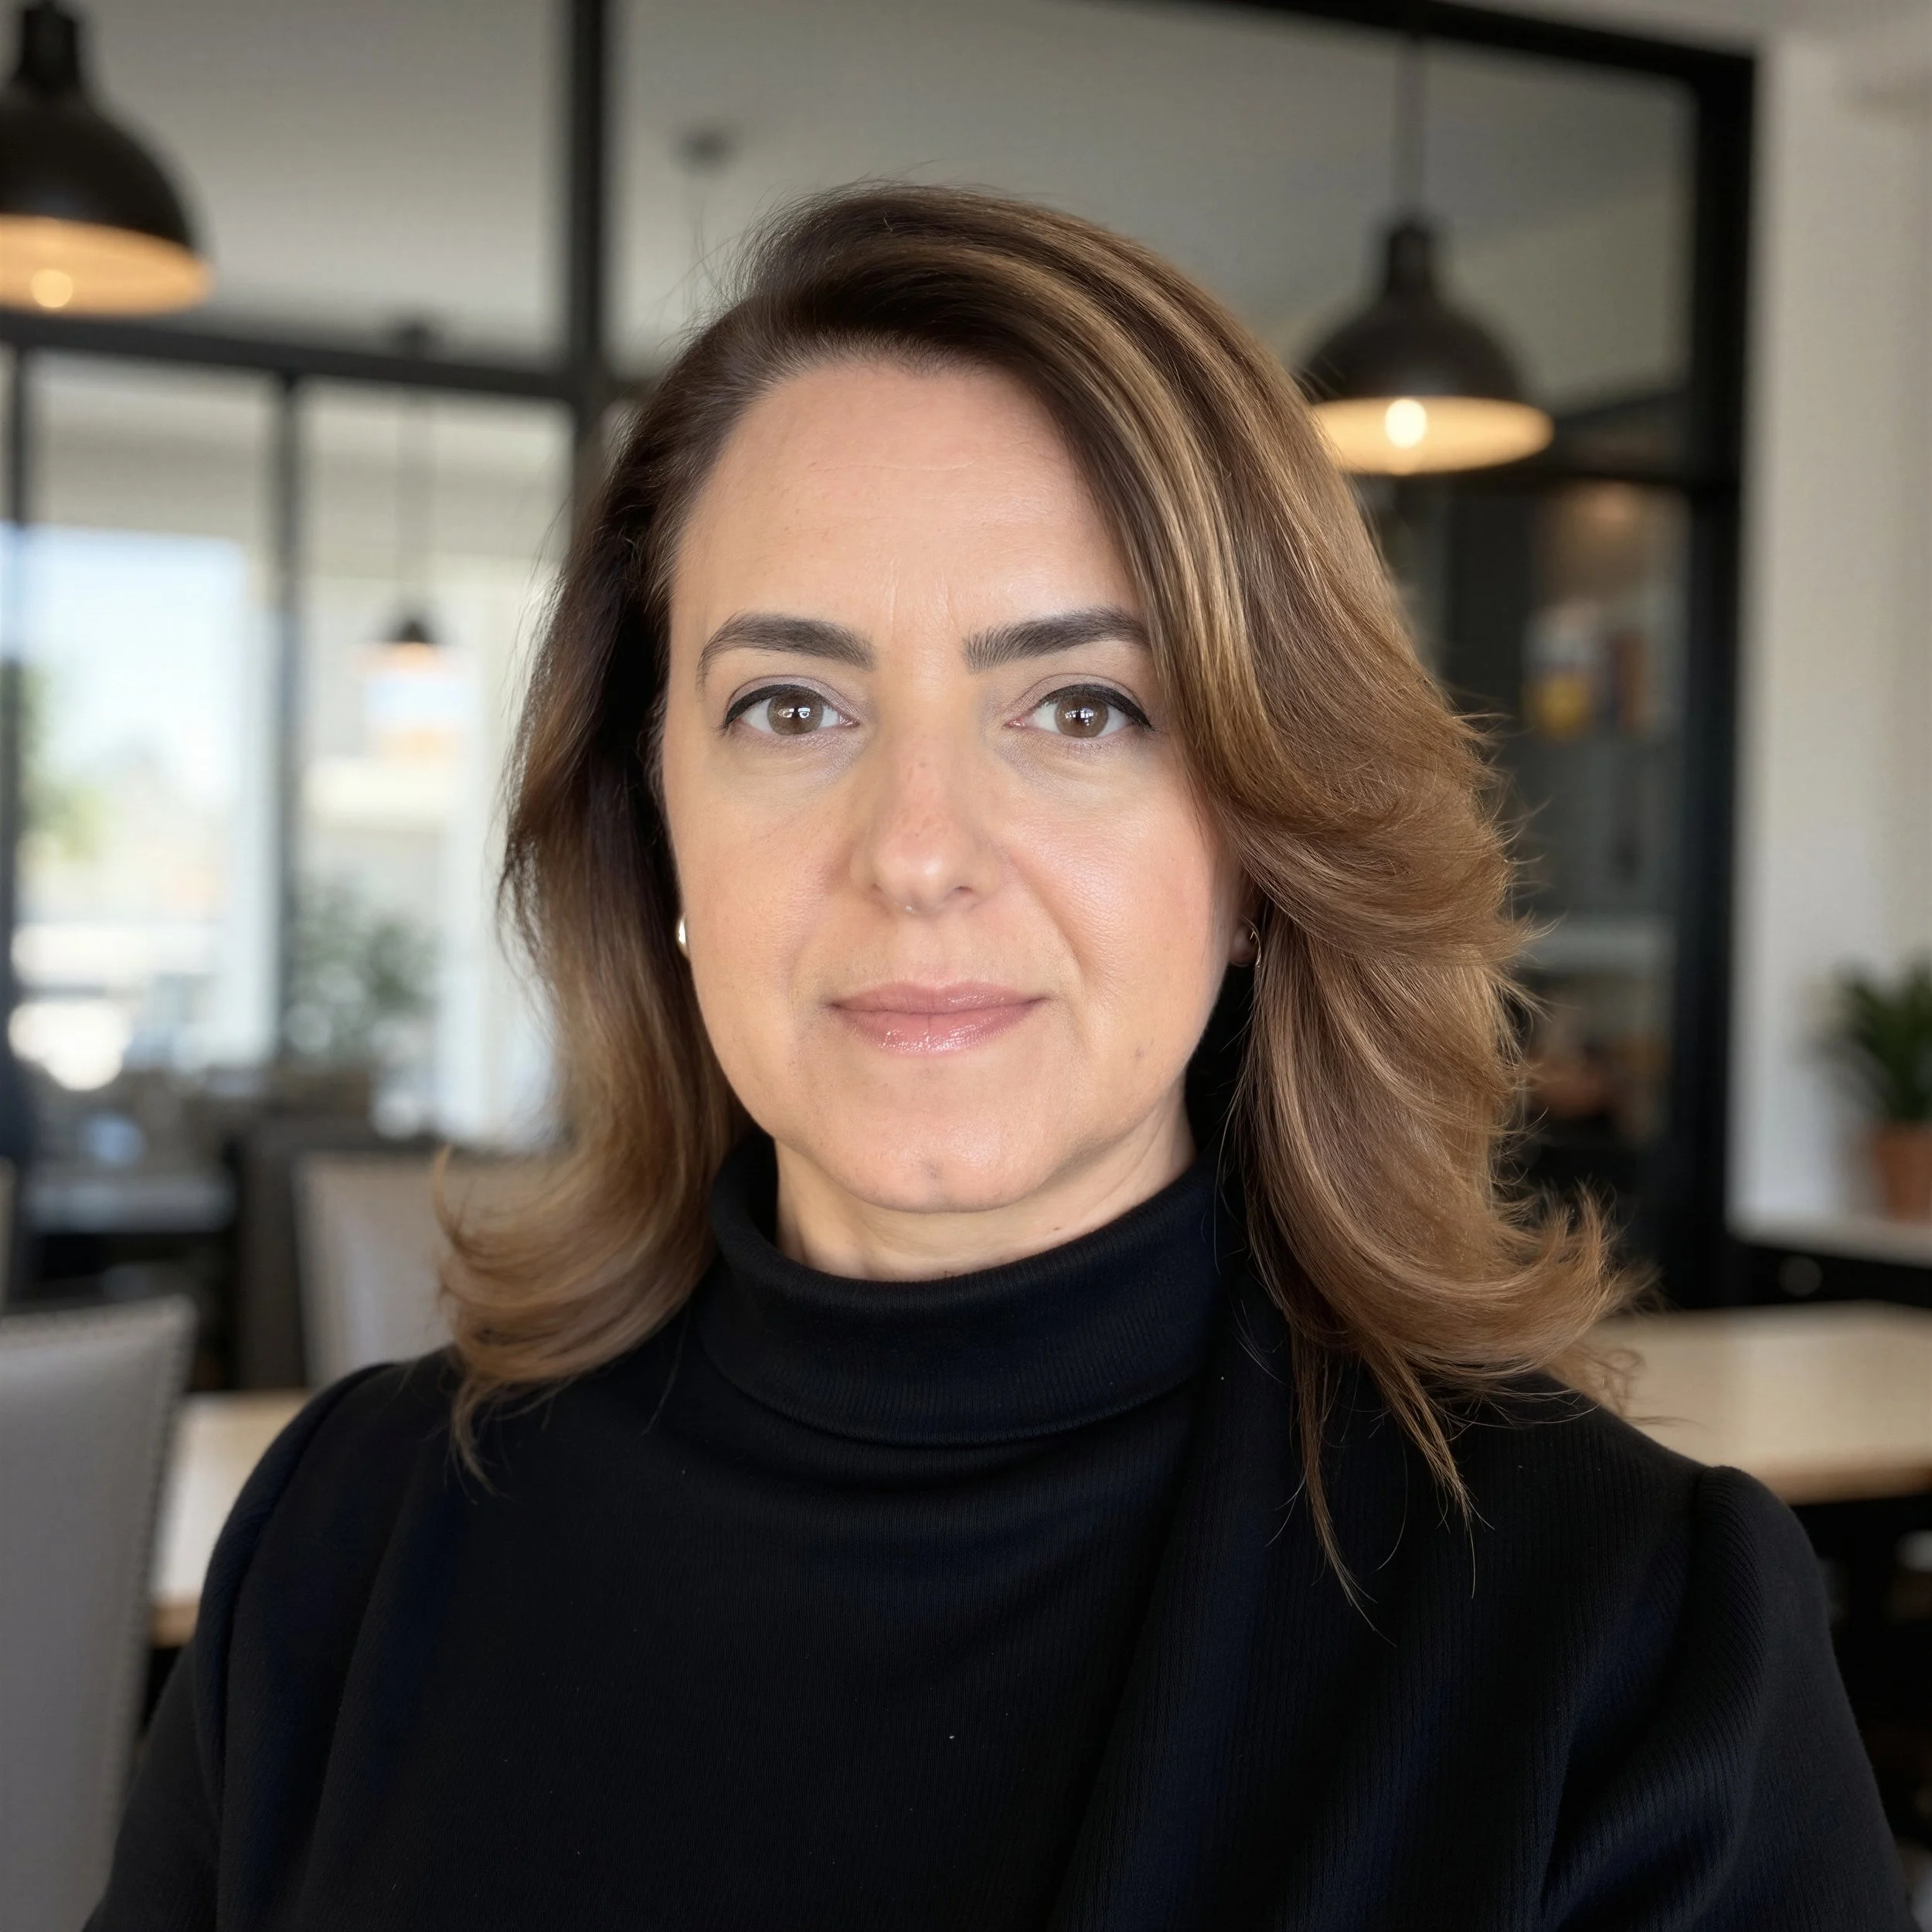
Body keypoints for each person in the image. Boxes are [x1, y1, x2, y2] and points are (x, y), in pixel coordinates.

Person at [92, 186, 1908, 1931]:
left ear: (1262, 853)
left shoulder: (1620, 1641)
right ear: (652, 830)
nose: (917, 847)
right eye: (790, 706)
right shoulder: (346, 1542)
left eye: (1081, 707)